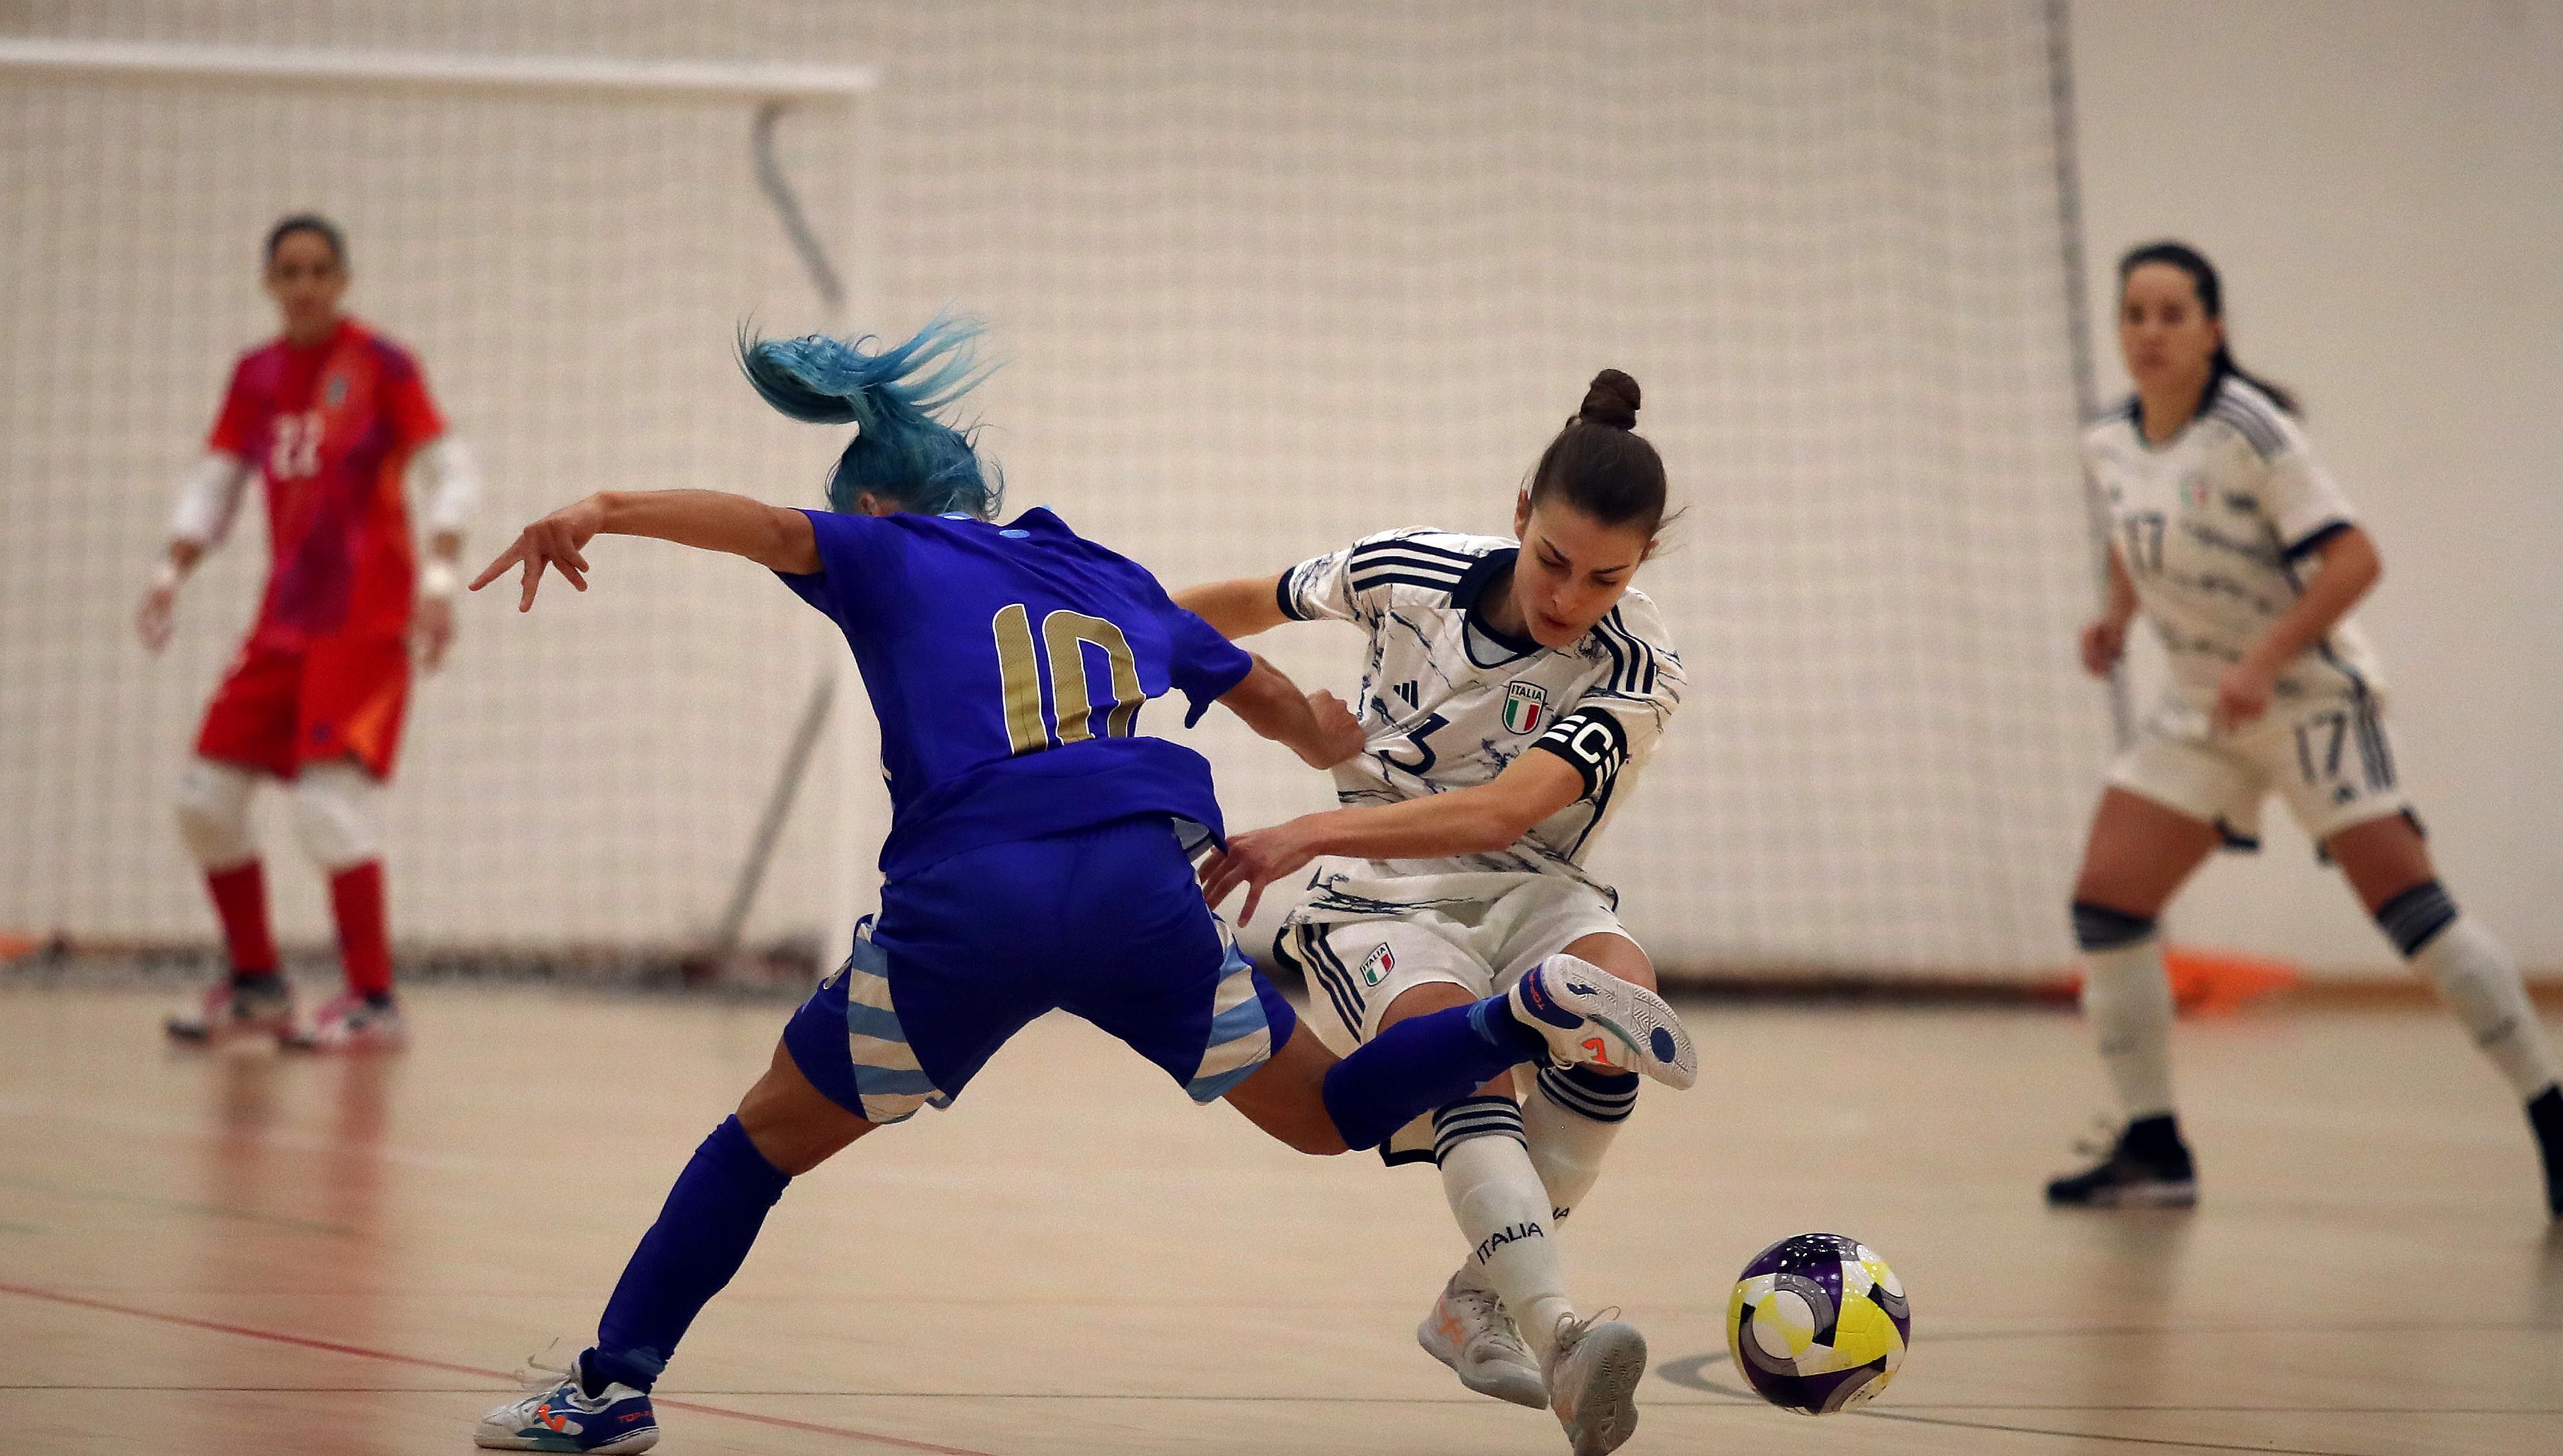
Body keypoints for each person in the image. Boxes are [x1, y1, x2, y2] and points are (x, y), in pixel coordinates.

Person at [466, 319, 1696, 1455]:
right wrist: (1326, 742)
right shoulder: (1103, 569)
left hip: (978, 892)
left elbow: (761, 525)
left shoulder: (882, 543)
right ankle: (1518, 1016)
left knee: (763, 1138)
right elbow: (1270, 694)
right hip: (1141, 884)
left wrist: (603, 506)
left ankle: (606, 1386)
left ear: (882, 505)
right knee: (1326, 1114)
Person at [1177, 370, 1688, 1456]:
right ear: (1518, 515)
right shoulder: (1405, 568)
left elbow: (1507, 806)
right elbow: (1240, 602)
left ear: (1640, 567)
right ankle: (1556, 1331)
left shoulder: (1637, 664)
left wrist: (1305, 828)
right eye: (1554, 559)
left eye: (1607, 576)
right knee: (1462, 1056)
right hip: (1378, 890)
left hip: (1532, 879)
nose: (1568, 596)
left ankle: (1474, 1302)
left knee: (1620, 1011)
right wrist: (1112, 628)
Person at [2051, 240, 2563, 1218]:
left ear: (2213, 330)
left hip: (2305, 695)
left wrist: (2264, 660)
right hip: (2199, 706)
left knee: (2412, 912)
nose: (2149, 332)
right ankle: (2154, 1144)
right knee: (2108, 900)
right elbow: (2133, 536)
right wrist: (2115, 619)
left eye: (2172, 314)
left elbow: (2356, 560)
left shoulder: (2254, 433)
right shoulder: (2109, 439)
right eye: (2134, 313)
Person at [141, 213, 478, 1051]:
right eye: (289, 271)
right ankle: (257, 986)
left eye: (320, 269)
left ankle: (373, 999)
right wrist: (169, 569)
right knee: (204, 803)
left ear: (343, 278)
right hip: (281, 625)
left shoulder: (383, 366)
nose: (305, 285)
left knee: (330, 810)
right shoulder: (255, 375)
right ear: (269, 282)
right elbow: (216, 482)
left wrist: (437, 584)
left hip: (363, 624)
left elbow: (451, 472)